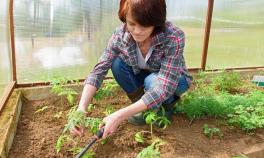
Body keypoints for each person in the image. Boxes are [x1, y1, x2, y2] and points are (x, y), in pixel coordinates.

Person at [71, 0, 192, 139]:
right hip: (147, 76)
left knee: (152, 81)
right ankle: (144, 109)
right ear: (125, 19)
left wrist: (119, 116)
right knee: (116, 64)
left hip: (174, 80)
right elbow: (99, 70)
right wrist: (81, 108)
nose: (137, 31)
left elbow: (164, 86)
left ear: (156, 21)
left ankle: (167, 106)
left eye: (144, 25)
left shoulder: (173, 36)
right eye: (132, 24)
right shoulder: (120, 35)